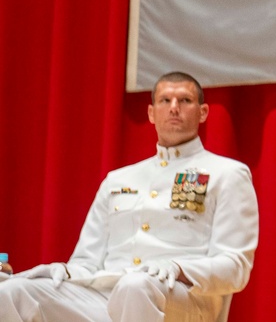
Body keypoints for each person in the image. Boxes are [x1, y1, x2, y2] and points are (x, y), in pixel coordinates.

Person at [0, 71, 259, 322]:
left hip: (184, 300)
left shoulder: (227, 173)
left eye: (185, 100)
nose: (174, 108)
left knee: (135, 287)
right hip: (106, 294)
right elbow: (86, 261)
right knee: (13, 292)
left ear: (203, 113)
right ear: (151, 112)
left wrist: (180, 268)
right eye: (165, 100)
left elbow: (235, 265)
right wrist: (65, 271)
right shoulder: (119, 179)